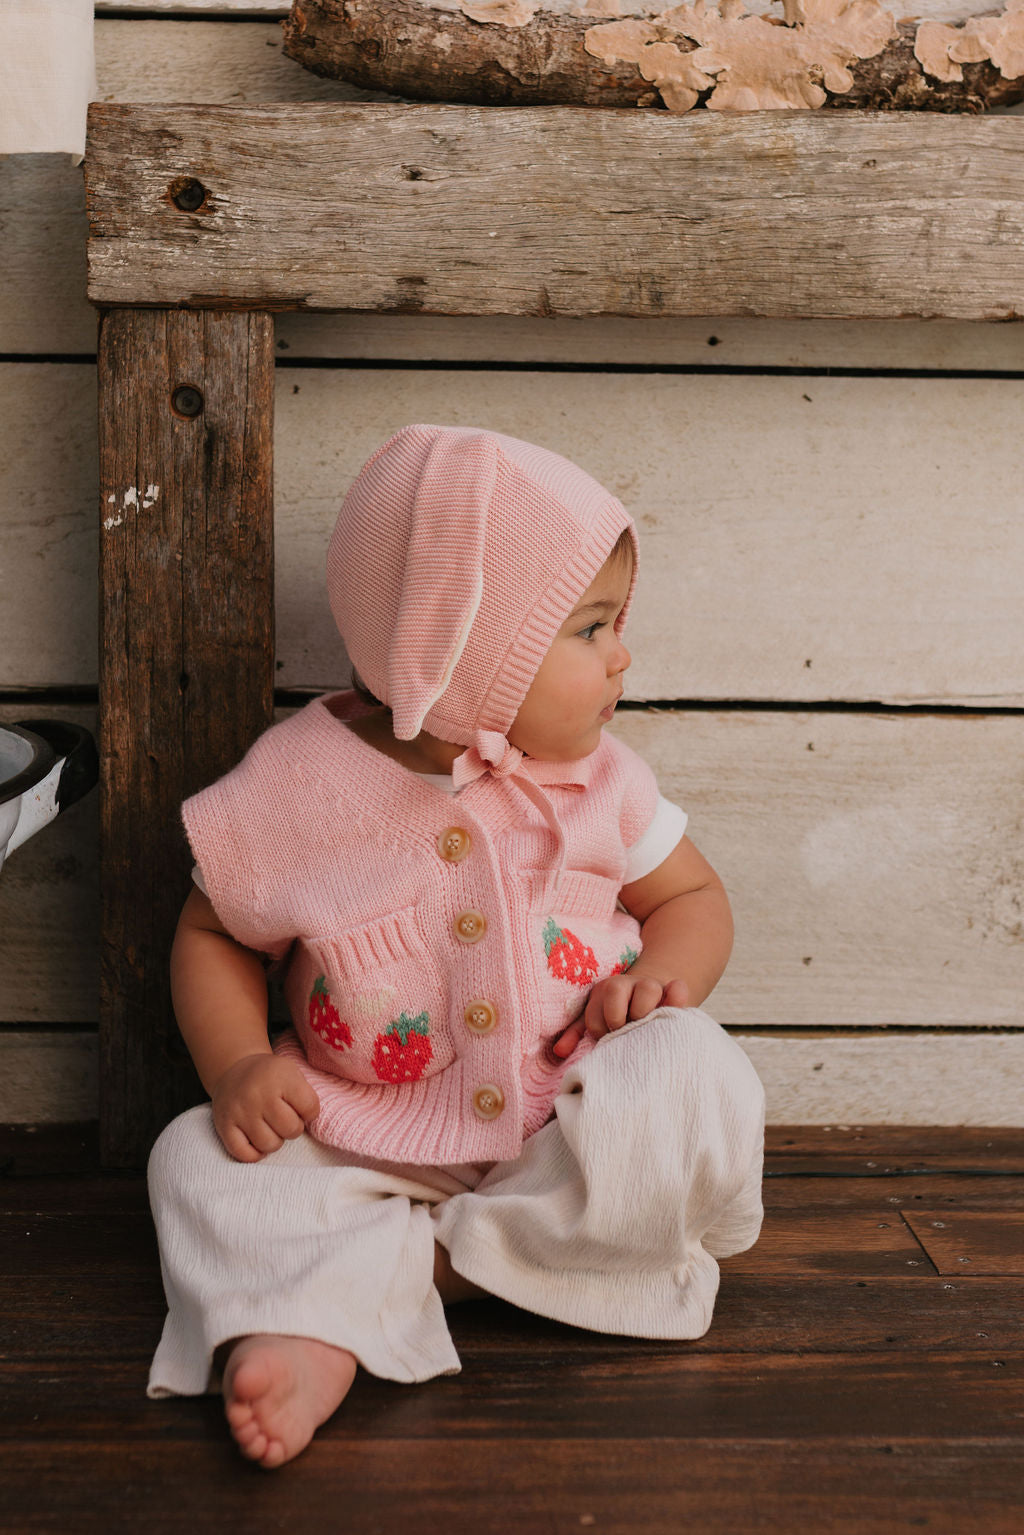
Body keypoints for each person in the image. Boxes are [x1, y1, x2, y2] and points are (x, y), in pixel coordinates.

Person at [147, 423, 766, 1469]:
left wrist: (668, 978)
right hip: (364, 1137)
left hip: (563, 1129)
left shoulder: (602, 779)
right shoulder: (297, 785)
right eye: (590, 628)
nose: (624, 655)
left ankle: (386, 1278)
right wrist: (238, 1064)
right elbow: (210, 930)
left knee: (697, 1070)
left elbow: (694, 894)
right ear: (462, 647)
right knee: (194, 1158)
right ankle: (374, 1304)